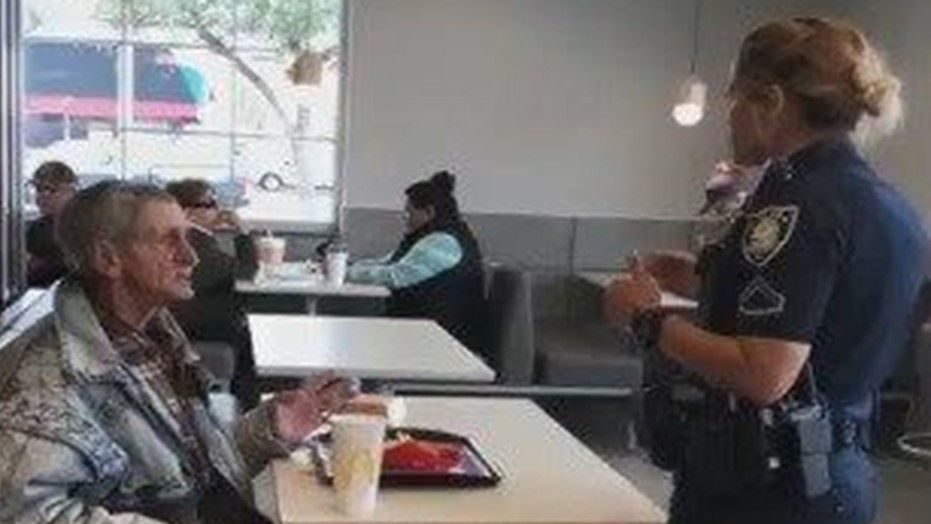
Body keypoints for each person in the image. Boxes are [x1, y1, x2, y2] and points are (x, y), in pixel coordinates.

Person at [605, 18, 927, 524]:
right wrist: (702, 276)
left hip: (765, 488)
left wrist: (646, 319)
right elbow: (818, 308)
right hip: (839, 474)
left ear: (770, 102)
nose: (729, 117)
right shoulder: (891, 209)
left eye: (734, 99)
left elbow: (764, 373)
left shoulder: (798, 205)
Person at [0, 181, 355, 523]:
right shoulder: (41, 383)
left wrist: (269, 428)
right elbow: (25, 515)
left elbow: (191, 476)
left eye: (187, 237)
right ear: (108, 258)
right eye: (168, 241)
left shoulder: (153, 337)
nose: (191, 257)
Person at [349, 171, 488, 353]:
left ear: (429, 212)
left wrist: (345, 273)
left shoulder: (444, 241)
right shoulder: (431, 236)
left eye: (409, 212)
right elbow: (388, 262)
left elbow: (396, 276)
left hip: (445, 339)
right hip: (428, 330)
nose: (405, 217)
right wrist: (349, 267)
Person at [165, 179, 259, 408]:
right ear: (187, 212)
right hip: (197, 324)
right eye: (209, 204)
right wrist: (243, 232)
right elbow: (246, 271)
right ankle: (247, 406)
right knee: (248, 332)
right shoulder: (195, 243)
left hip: (186, 318)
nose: (218, 209)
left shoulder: (187, 240)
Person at [25, 160, 77, 287]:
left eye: (52, 190)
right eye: (39, 189)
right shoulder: (37, 228)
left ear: (71, 191)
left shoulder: (87, 225)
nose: (43, 196)